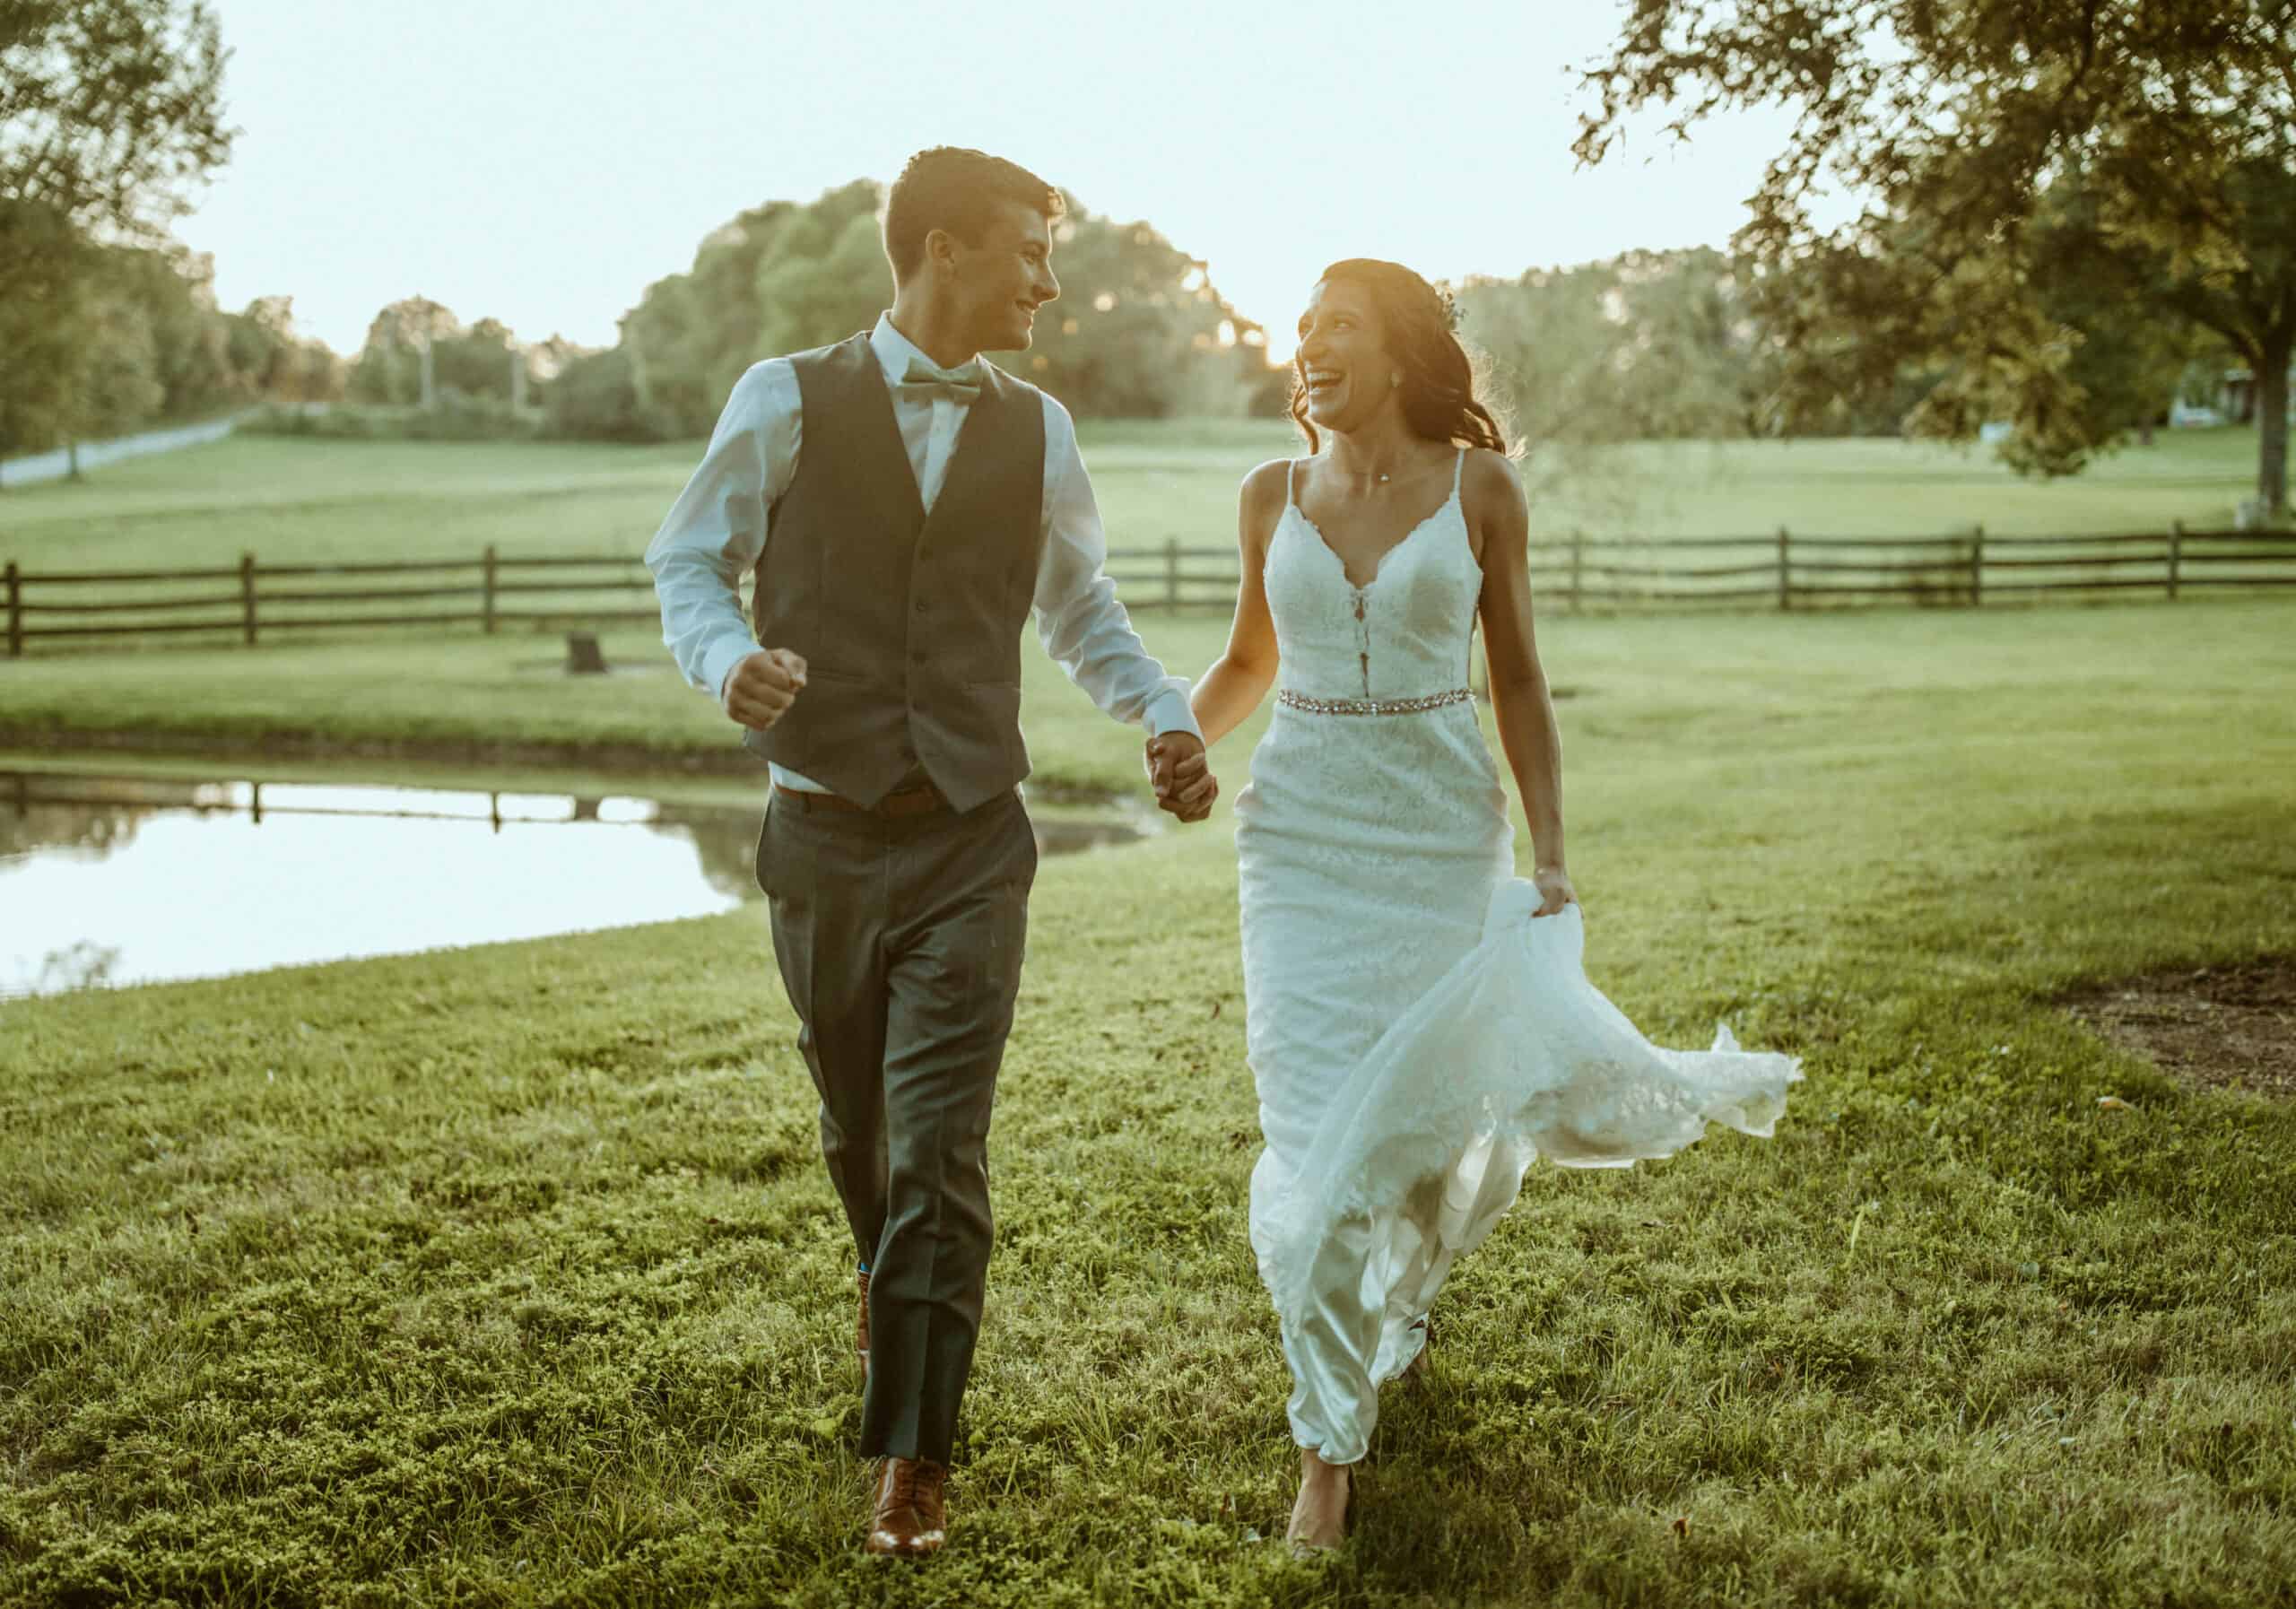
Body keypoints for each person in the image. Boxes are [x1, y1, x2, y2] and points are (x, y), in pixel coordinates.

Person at [645, 146, 1218, 1561]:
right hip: (820, 835)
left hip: (973, 837)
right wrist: (728, 664)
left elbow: (1083, 611)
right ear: (945, 249)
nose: (1050, 277)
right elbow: (685, 560)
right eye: (1031, 248)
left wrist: (1162, 711)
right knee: (863, 1133)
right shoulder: (783, 397)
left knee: (940, 1149)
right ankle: (884, 1284)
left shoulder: (1043, 432)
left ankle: (913, 1452)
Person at [1179, 259, 1800, 1553]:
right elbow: (1248, 660)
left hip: (1435, 841)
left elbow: (1518, 680)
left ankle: (1391, 1308)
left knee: (1407, 1136)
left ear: (1401, 353)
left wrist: (1556, 849)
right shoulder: (1266, 493)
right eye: (1301, 329)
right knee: (1314, 1134)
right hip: (1297, 845)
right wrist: (1178, 738)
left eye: (1335, 326)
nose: (1307, 347)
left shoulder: (1483, 492)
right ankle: (1326, 1458)